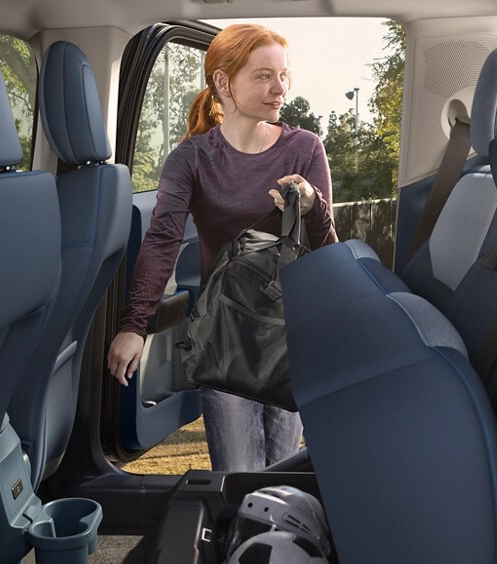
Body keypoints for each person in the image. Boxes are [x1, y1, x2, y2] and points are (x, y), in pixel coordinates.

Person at [107, 23, 337, 472]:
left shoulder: (305, 148)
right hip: (224, 337)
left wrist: (311, 204)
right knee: (235, 479)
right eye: (263, 75)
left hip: (289, 335)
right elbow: (162, 241)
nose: (280, 88)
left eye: (284, 75)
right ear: (222, 82)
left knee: (283, 475)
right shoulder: (191, 159)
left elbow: (327, 252)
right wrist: (135, 325)